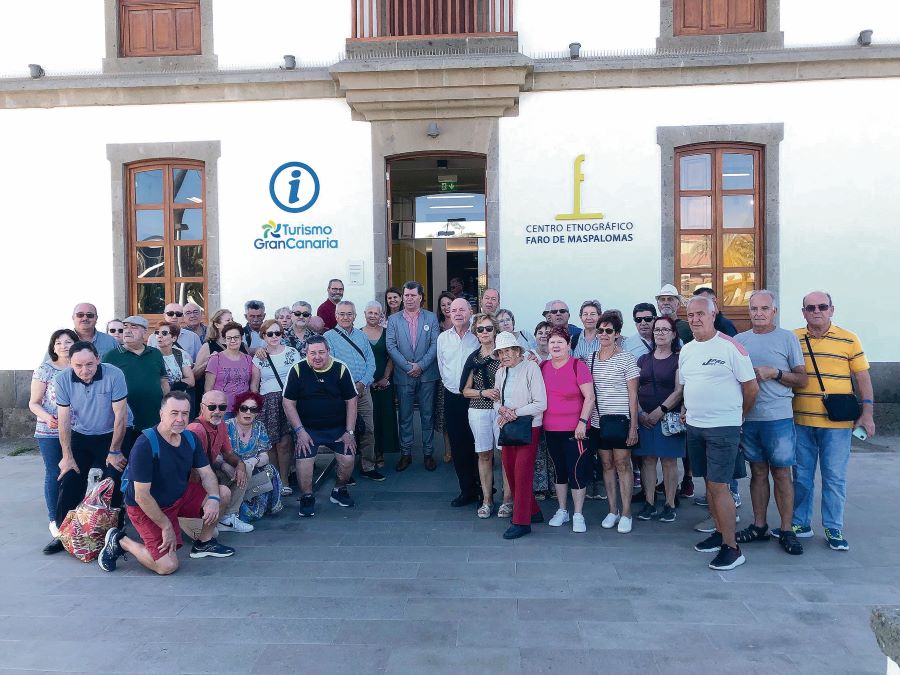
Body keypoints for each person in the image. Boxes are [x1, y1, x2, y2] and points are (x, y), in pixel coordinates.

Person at [98, 391, 234, 575]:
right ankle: (121, 541)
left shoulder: (189, 438)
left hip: (178, 496)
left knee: (222, 492)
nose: (180, 419)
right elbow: (142, 496)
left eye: (185, 413)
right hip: (146, 507)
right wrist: (166, 526)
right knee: (167, 566)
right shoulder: (145, 444)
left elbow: (207, 474)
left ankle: (204, 543)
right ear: (161, 414)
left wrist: (213, 498)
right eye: (174, 413)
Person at [790, 290, 875, 552]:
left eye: (822, 307)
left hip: (837, 425)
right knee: (802, 477)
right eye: (811, 307)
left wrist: (867, 413)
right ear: (803, 312)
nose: (817, 311)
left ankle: (833, 527)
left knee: (834, 477)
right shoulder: (793, 339)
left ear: (832, 309)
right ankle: (800, 522)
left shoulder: (849, 339)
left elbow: (863, 379)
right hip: (800, 421)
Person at [680, 295, 758, 571]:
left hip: (723, 428)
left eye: (701, 313)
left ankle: (732, 547)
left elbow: (751, 388)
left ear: (714, 315)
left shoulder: (730, 347)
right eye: (690, 315)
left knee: (719, 485)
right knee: (707, 483)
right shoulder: (687, 349)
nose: (695, 319)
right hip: (696, 426)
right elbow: (688, 385)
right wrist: (688, 409)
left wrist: (738, 417)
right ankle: (719, 531)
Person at [733, 290, 807, 555]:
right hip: (749, 418)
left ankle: (787, 530)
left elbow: (802, 379)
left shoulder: (787, 338)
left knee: (782, 474)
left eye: (764, 308)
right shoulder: (739, 340)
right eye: (754, 309)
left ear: (774, 311)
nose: (759, 313)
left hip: (779, 418)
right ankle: (759, 525)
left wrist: (774, 373)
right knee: (758, 473)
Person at [41, 342, 133, 555]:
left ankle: (114, 534)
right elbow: (64, 420)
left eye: (90, 364)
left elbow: (121, 415)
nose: (85, 370)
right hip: (82, 434)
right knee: (70, 478)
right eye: (79, 365)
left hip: (113, 433)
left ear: (98, 359)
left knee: (113, 480)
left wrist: (115, 451)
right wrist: (66, 456)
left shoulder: (114, 374)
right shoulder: (62, 379)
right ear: (70, 363)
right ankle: (64, 535)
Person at [282, 336, 359, 516]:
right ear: (306, 353)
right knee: (304, 463)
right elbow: (288, 403)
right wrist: (299, 431)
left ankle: (339, 490)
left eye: (321, 352)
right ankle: (307, 496)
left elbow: (351, 401)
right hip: (307, 429)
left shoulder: (340, 368)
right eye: (312, 353)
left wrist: (349, 431)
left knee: (348, 460)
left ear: (328, 352)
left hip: (338, 427)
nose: (317, 357)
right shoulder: (297, 370)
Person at [589, 311, 641, 534]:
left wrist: (633, 426)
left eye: (608, 331)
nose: (603, 334)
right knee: (606, 465)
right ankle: (613, 510)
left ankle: (627, 512)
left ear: (617, 334)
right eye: (600, 330)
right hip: (598, 421)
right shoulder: (591, 357)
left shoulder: (626, 358)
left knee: (622, 465)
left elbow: (633, 395)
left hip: (621, 420)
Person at [493, 331, 547, 539]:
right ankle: (532, 511)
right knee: (510, 471)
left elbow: (541, 403)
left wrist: (514, 412)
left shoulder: (531, 368)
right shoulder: (500, 373)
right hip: (508, 426)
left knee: (522, 474)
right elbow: (497, 399)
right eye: (501, 352)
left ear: (517, 351)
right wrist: (502, 410)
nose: (505, 355)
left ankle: (521, 521)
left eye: (508, 350)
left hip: (529, 426)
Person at [541, 326, 595, 533]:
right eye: (552, 342)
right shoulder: (542, 366)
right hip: (551, 428)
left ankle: (578, 514)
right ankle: (562, 511)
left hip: (576, 430)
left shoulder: (577, 366)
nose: (555, 345)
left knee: (576, 471)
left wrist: (582, 421)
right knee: (559, 470)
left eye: (560, 342)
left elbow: (589, 397)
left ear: (568, 345)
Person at [633, 316, 684, 523]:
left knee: (669, 461)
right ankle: (649, 502)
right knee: (647, 460)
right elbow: (633, 389)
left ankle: (670, 503)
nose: (660, 333)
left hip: (668, 417)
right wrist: (640, 413)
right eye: (657, 330)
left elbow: (679, 391)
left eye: (665, 330)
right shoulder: (643, 359)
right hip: (645, 417)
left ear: (673, 334)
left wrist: (659, 411)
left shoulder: (679, 359)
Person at [386, 280, 441, 472]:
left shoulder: (431, 318)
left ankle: (428, 453)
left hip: (427, 375)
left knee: (427, 415)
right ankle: (405, 453)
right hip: (403, 375)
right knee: (405, 417)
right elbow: (391, 346)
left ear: (420, 297)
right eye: (406, 295)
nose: (409, 298)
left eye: (412, 295)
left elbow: (435, 345)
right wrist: (408, 366)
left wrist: (421, 365)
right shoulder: (393, 320)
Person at [325, 301, 381, 481]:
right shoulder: (329, 337)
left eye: (349, 314)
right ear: (336, 316)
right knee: (343, 431)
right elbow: (330, 367)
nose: (345, 317)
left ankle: (368, 466)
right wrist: (349, 388)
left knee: (368, 429)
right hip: (342, 393)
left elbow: (371, 363)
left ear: (355, 316)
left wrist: (363, 383)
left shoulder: (362, 336)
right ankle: (344, 471)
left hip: (363, 390)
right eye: (342, 314)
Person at [30, 328, 78, 537]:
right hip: (49, 431)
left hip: (78, 429)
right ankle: (54, 519)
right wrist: (48, 417)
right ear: (53, 347)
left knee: (75, 472)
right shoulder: (45, 369)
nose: (64, 346)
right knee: (54, 473)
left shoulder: (82, 367)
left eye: (68, 342)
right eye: (58, 343)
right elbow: (34, 403)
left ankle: (75, 516)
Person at [186, 390, 252, 533]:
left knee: (244, 468)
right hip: (192, 488)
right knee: (223, 494)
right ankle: (204, 520)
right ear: (202, 407)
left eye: (222, 407)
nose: (217, 411)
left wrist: (240, 465)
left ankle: (227, 517)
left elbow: (228, 453)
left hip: (208, 476)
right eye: (212, 407)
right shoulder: (196, 430)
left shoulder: (220, 424)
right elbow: (194, 474)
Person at [462, 313, 506, 518]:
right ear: (475, 333)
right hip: (479, 409)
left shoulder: (505, 355)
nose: (485, 332)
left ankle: (508, 500)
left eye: (489, 328)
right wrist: (483, 392)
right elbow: (465, 390)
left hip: (502, 410)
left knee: (506, 455)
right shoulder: (473, 358)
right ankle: (487, 499)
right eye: (481, 329)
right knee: (484, 454)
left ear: (495, 330)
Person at [437, 298, 480, 507]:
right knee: (459, 445)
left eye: (462, 309)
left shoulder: (478, 337)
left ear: (470, 312)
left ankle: (484, 488)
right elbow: (441, 365)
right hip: (453, 397)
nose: (457, 313)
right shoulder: (443, 339)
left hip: (476, 399)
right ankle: (467, 490)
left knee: (479, 444)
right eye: (453, 310)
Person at [653, 286, 695, 497]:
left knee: (683, 439)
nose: (666, 303)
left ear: (678, 303)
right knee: (666, 443)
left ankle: (687, 478)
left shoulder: (686, 328)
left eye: (670, 299)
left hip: (684, 389)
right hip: (662, 387)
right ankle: (667, 483)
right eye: (662, 299)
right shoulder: (656, 326)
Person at [253, 319, 299, 493]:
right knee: (271, 443)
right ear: (263, 336)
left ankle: (286, 481)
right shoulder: (259, 356)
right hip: (267, 402)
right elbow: (254, 384)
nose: (274, 337)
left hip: (288, 400)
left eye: (277, 333)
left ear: (282, 334)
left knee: (285, 443)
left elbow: (298, 378)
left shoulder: (292, 353)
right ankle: (275, 481)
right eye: (269, 334)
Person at [103, 316, 169, 437]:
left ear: (145, 331)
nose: (127, 330)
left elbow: (163, 381)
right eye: (125, 327)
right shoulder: (111, 356)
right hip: (124, 422)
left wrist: (167, 407)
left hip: (154, 418)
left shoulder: (155, 353)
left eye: (134, 327)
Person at [225, 390, 282, 518]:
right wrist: (229, 466)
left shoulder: (259, 426)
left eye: (253, 409)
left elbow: (265, 456)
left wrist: (253, 461)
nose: (248, 412)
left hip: (252, 467)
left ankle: (251, 504)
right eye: (244, 408)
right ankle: (232, 511)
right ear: (237, 409)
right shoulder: (226, 426)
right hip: (231, 468)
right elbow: (219, 455)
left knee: (270, 470)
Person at [362, 300, 398, 469]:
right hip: (365, 383)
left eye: (376, 313)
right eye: (370, 313)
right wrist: (365, 381)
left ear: (381, 315)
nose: (373, 316)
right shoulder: (358, 334)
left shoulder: (387, 332)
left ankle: (380, 452)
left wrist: (385, 377)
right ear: (364, 314)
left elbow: (392, 356)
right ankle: (366, 454)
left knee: (383, 417)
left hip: (384, 382)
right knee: (367, 419)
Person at [204, 322, 260, 414]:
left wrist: (254, 407)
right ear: (225, 340)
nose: (233, 341)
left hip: (243, 410)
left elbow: (253, 386)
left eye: (236, 337)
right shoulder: (215, 359)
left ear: (241, 339)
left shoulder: (248, 359)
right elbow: (208, 389)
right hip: (221, 410)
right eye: (229, 338)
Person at [193, 308, 247, 384]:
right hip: (217, 392)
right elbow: (194, 375)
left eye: (232, 320)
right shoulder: (208, 346)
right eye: (228, 320)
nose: (231, 323)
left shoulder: (241, 345)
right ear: (217, 324)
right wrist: (208, 362)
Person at [435, 291, 456, 463]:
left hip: (461, 378)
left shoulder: (466, 324)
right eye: (443, 305)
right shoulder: (437, 324)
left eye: (449, 304)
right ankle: (448, 450)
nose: (446, 307)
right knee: (445, 418)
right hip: (443, 378)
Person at [154, 321, 195, 395]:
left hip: (178, 398)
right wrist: (181, 382)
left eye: (164, 333)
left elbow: (191, 381)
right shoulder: (151, 355)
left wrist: (173, 386)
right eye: (157, 333)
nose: (159, 336)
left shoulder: (180, 353)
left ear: (174, 338)